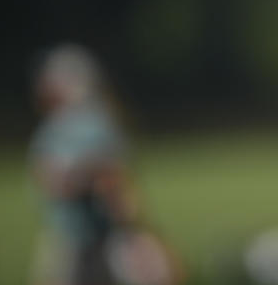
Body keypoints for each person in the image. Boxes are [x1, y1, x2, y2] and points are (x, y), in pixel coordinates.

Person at [29, 43, 183, 285]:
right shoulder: (93, 123)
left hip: (94, 238)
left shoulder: (86, 126)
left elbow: (108, 181)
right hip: (78, 235)